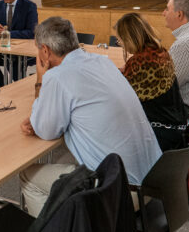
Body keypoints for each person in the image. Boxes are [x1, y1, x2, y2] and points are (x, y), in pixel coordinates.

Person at [18, 17, 162, 217]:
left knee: (28, 175)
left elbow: (46, 131)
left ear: (45, 51)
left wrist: (41, 79)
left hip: (119, 192)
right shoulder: (103, 62)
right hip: (152, 181)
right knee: (74, 158)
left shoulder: (57, 76)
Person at [115, 13, 188, 151]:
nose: (121, 44)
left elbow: (121, 99)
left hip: (160, 135)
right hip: (177, 129)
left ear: (130, 38)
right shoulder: (159, 52)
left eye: (120, 40)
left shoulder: (140, 62)